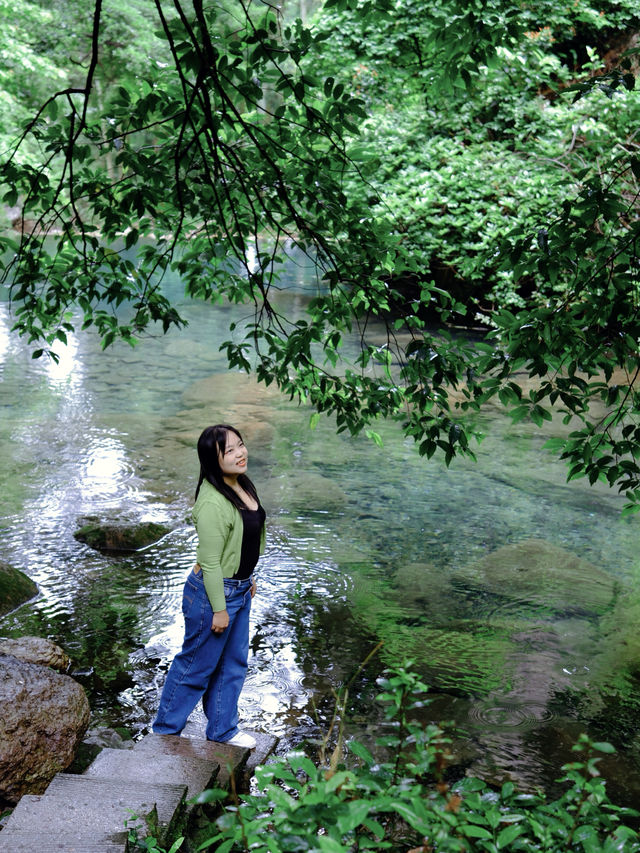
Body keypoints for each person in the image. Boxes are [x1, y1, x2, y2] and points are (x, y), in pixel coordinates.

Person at [152, 424, 265, 748]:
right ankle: (165, 732)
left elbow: (244, 539)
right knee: (196, 666)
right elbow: (212, 561)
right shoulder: (212, 502)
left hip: (239, 589)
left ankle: (222, 731)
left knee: (233, 664)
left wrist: (248, 576)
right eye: (229, 450)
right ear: (213, 459)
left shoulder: (242, 484)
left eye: (240, 445)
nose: (240, 453)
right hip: (214, 594)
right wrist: (219, 608)